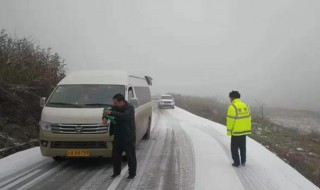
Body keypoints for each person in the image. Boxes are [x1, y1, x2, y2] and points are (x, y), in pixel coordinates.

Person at [103, 93, 137, 180]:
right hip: (118, 136)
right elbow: (107, 111)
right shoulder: (115, 107)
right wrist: (105, 117)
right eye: (114, 103)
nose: (114, 105)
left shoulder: (130, 108)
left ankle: (132, 174)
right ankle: (116, 172)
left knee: (130, 156)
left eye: (116, 103)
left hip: (128, 136)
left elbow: (125, 116)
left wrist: (112, 113)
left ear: (121, 101)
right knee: (115, 156)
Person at [226, 91, 252, 167]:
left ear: (232, 98)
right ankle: (243, 161)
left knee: (234, 148)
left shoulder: (232, 107)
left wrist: (229, 132)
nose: (230, 100)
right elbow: (249, 118)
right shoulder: (246, 105)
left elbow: (230, 120)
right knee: (242, 147)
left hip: (236, 132)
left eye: (230, 98)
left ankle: (236, 162)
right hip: (244, 131)